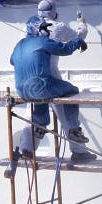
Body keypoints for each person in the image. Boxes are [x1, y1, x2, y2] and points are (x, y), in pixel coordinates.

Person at [11, 16, 90, 162]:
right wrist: (79, 40)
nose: (46, 31)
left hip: (23, 91)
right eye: (44, 28)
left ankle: (36, 133)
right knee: (71, 90)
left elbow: (12, 61)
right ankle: (73, 131)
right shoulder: (42, 41)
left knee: (40, 100)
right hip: (42, 85)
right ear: (37, 30)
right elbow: (65, 49)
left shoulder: (19, 44)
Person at [36, 0, 95, 162]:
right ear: (54, 12)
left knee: (33, 114)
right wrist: (82, 23)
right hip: (51, 74)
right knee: (65, 107)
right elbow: (79, 37)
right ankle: (79, 151)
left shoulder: (28, 27)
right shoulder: (59, 26)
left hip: (30, 75)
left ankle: (28, 149)